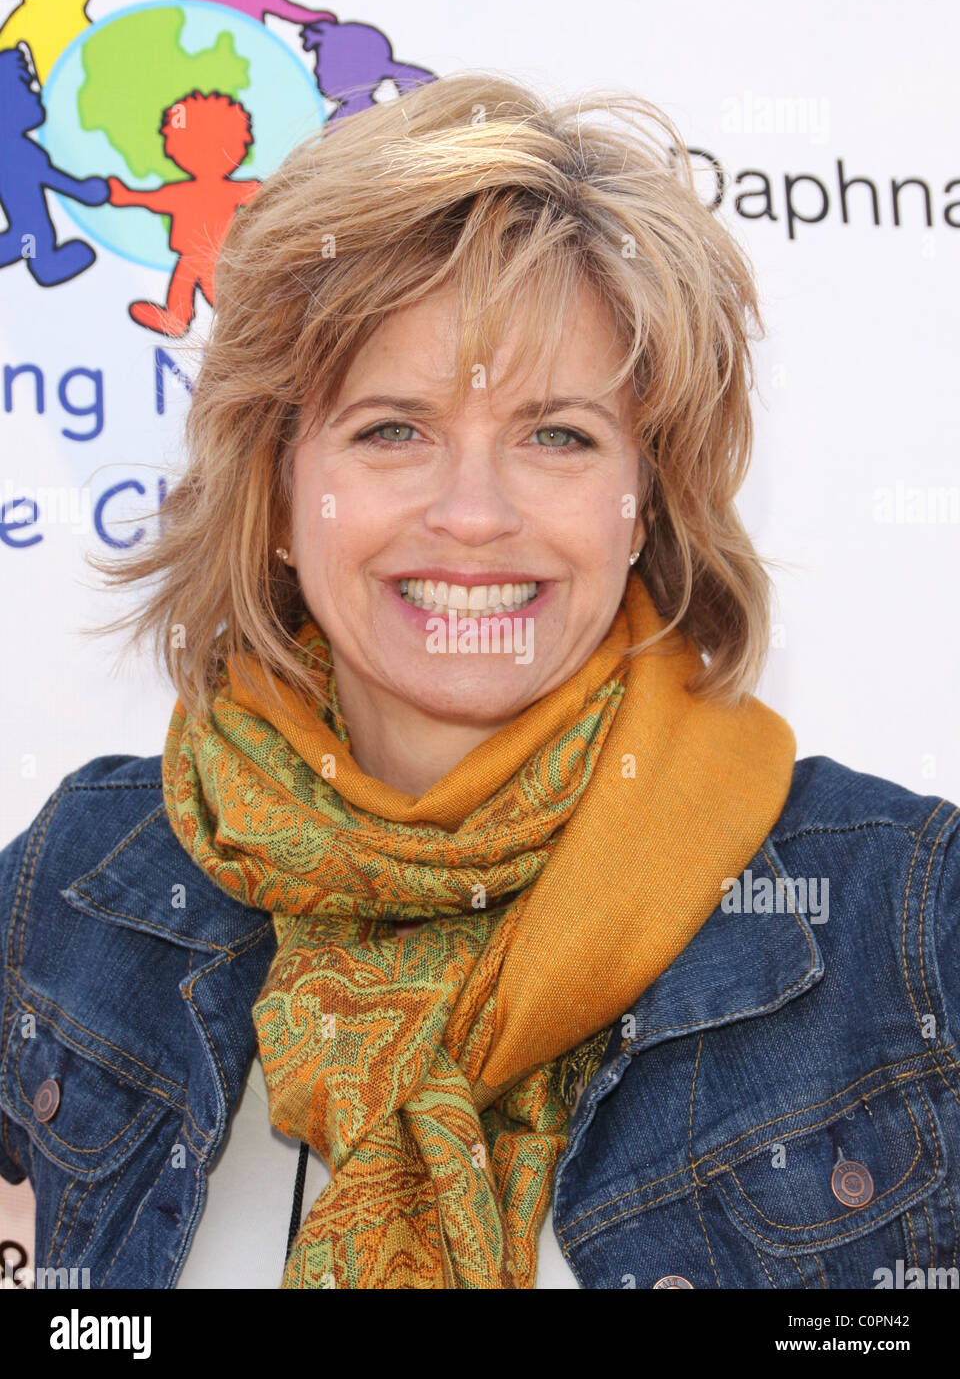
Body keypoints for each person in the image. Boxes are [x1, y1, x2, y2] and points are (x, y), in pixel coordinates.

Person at [1, 70, 958, 1292]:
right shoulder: (74, 891)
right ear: (280, 498)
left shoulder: (904, 919)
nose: (472, 514)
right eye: (392, 428)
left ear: (644, 503)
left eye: (558, 434)